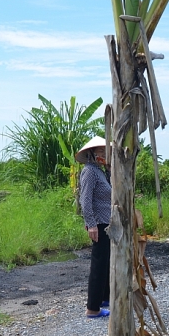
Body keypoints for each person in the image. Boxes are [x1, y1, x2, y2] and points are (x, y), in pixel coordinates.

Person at [76, 136, 111, 318]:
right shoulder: (89, 171)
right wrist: (91, 224)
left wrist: (110, 170)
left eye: (105, 151)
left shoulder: (100, 171)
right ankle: (92, 308)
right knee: (99, 265)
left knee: (106, 262)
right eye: (100, 151)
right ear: (91, 153)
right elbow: (85, 200)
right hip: (99, 223)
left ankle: (104, 298)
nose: (104, 154)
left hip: (107, 223)